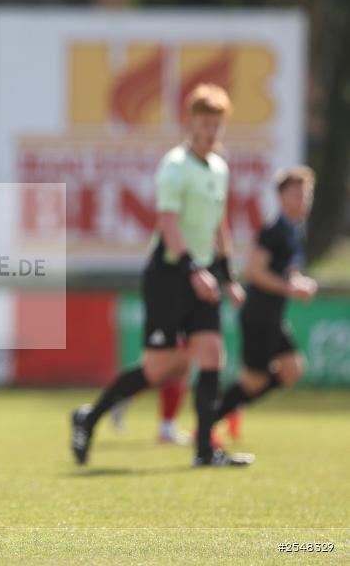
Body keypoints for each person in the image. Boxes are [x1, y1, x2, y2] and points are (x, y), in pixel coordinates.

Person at [70, 83, 253, 467]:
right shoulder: (174, 165)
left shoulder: (219, 167)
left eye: (216, 124)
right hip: (170, 275)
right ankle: (90, 416)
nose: (210, 131)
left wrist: (228, 276)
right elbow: (168, 224)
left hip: (201, 275)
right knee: (159, 369)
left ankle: (205, 450)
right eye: (204, 123)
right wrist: (193, 270)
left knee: (211, 354)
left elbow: (219, 226)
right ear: (191, 123)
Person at [212, 166, 317, 423]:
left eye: (307, 195)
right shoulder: (273, 230)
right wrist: (290, 288)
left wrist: (300, 282)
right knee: (254, 379)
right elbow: (254, 272)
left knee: (292, 369)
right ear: (281, 197)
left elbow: (286, 272)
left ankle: (231, 405)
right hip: (258, 314)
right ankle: (210, 421)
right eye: (296, 194)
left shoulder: (295, 230)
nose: (303, 200)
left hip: (273, 315)